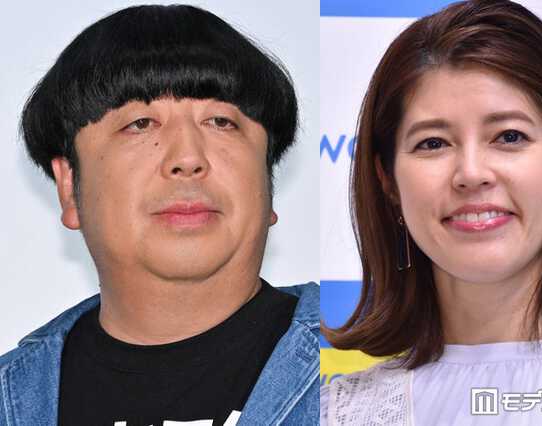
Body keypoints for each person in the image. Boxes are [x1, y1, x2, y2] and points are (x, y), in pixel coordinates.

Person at [321, 0, 542, 424]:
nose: (471, 174)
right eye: (433, 143)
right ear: (387, 180)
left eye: (509, 136)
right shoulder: (335, 412)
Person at [0, 5, 319, 426]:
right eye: (140, 123)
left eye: (221, 121)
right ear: (68, 186)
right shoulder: (12, 399)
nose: (187, 158)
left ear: (267, 176)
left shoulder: (365, 370)